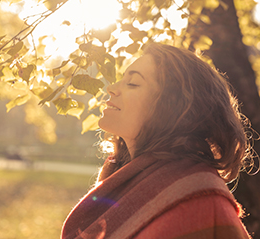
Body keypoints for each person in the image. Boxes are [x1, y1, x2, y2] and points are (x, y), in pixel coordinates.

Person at [61, 43, 255, 239]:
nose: (111, 88)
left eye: (133, 83)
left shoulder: (198, 200)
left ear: (173, 106)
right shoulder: (121, 180)